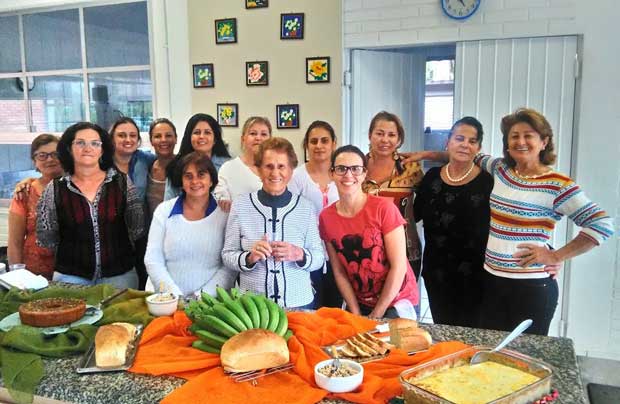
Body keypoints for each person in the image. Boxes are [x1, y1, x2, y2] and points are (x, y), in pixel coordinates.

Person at [415, 108, 614, 335]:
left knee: (523, 357)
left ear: (544, 141)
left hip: (530, 288)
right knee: (490, 352)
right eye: (514, 136)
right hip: (491, 282)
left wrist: (555, 256)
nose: (521, 142)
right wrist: (424, 155)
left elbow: (601, 224)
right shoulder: (501, 170)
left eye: (528, 135)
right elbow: (462, 153)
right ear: (507, 143)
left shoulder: (557, 184)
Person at [36, 122, 146, 289]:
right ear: (69, 148)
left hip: (120, 275)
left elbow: (136, 228)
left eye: (95, 143)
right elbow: (47, 238)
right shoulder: (55, 188)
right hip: (71, 277)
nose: (88, 148)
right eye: (80, 143)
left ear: (102, 150)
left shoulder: (122, 183)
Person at [222, 137, 324, 309]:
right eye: (268, 166)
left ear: (291, 170)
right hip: (253, 307)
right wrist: (249, 257)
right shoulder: (241, 205)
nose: (275, 173)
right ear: (259, 170)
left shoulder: (306, 208)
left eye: (281, 166)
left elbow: (319, 258)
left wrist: (299, 254)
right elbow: (227, 255)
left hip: (299, 305)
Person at [319, 145, 419, 319]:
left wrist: (377, 314)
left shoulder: (384, 209)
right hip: (360, 301)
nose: (348, 175)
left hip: (397, 298)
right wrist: (355, 312)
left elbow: (399, 266)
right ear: (332, 173)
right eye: (341, 169)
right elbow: (339, 272)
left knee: (391, 345)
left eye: (356, 169)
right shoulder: (326, 217)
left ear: (365, 173)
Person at [413, 117, 493, 327]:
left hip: (477, 277)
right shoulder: (431, 178)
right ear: (448, 142)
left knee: (472, 336)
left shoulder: (489, 181)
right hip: (436, 273)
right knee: (444, 334)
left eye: (472, 141)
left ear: (479, 148)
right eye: (459, 138)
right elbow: (414, 215)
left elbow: (509, 221)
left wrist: (547, 250)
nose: (465, 144)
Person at [145, 152, 235, 298]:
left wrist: (201, 297)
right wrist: (173, 296)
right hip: (165, 300)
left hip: (211, 304)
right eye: (188, 176)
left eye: (201, 175)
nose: (195, 181)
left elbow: (229, 267)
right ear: (181, 181)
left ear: (212, 180)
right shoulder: (164, 210)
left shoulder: (225, 214)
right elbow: (153, 258)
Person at [362, 111, 424, 279]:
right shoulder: (357, 166)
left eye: (391, 135)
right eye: (379, 133)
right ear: (370, 135)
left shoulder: (411, 168)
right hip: (365, 253)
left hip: (406, 250)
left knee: (404, 304)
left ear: (399, 140)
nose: (385, 140)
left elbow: (428, 200)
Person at [288, 120, 341, 308]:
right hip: (308, 255)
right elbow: (291, 219)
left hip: (339, 255)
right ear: (306, 145)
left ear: (334, 143)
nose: (319, 146)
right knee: (312, 309)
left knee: (335, 310)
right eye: (313, 141)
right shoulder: (296, 177)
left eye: (324, 141)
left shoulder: (343, 173)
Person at [7, 134, 63, 280]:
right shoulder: (24, 193)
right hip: (34, 276)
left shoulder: (77, 188)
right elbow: (14, 242)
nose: (50, 159)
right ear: (34, 161)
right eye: (42, 155)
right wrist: (16, 279)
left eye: (55, 154)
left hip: (72, 273)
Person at [164, 113, 231, 200]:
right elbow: (168, 204)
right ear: (189, 137)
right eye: (197, 132)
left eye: (207, 132)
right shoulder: (176, 166)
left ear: (215, 139)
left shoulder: (229, 166)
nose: (202, 136)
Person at [214, 116, 271, 212]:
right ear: (243, 139)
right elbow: (220, 197)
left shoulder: (276, 169)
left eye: (264, 134)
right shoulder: (228, 168)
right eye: (253, 133)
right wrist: (224, 201)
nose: (258, 138)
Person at [109, 117, 156, 202]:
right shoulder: (102, 163)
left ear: (138, 139)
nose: (128, 140)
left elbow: (165, 160)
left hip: (139, 214)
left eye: (133, 135)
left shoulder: (145, 159)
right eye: (121, 135)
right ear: (112, 139)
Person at [146, 118, 177, 218]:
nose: (163, 140)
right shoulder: (147, 167)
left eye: (168, 135)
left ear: (175, 139)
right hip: (152, 230)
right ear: (151, 141)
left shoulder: (185, 166)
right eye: (158, 136)